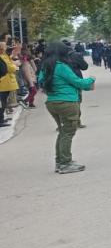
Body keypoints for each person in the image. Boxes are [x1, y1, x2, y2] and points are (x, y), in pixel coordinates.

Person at [37, 42, 95, 173]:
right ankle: (65, 163)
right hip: (67, 102)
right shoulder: (61, 67)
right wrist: (91, 80)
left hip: (52, 102)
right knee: (68, 132)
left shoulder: (45, 67)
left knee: (63, 132)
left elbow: (40, 82)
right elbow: (77, 82)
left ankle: (60, 161)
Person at [0, 43, 18, 126]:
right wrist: (15, 66)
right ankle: (1, 120)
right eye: (5, 47)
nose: (7, 48)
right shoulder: (3, 56)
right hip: (3, 83)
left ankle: (2, 118)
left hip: (5, 83)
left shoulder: (5, 56)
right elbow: (10, 68)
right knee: (2, 102)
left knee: (3, 102)